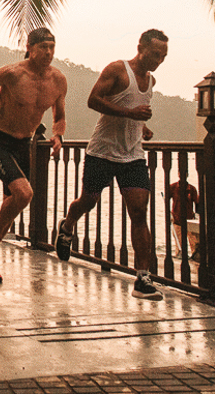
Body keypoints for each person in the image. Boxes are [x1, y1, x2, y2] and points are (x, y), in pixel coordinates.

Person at [54, 29, 169, 301]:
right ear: (140, 47)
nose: (158, 60)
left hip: (133, 156)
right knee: (88, 201)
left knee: (139, 212)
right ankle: (67, 226)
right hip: (102, 152)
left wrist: (141, 127)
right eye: (155, 54)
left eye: (163, 56)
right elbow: (93, 100)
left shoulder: (151, 81)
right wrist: (131, 114)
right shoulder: (118, 70)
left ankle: (143, 278)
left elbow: (133, 111)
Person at [0, 28, 67, 284]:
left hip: (23, 145)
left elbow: (59, 116)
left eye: (52, 47)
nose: (48, 52)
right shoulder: (13, 73)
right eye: (43, 47)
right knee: (24, 194)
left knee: (13, 201)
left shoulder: (58, 80)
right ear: (29, 47)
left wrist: (58, 135)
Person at [169, 178, 198, 259]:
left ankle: (195, 257)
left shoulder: (192, 189)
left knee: (194, 243)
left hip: (189, 220)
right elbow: (166, 198)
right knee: (179, 243)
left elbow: (197, 203)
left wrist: (197, 216)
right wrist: (170, 214)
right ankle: (180, 255)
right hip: (177, 219)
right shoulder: (173, 187)